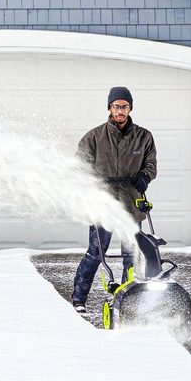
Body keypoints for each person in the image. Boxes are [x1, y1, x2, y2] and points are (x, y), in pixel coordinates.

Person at [71, 85, 156, 311]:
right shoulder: (94, 137)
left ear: (130, 108)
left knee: (132, 253)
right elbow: (80, 165)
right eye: (116, 106)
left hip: (131, 202)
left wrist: (144, 178)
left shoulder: (143, 136)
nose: (120, 110)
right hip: (103, 203)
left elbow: (151, 164)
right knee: (96, 252)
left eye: (124, 106)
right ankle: (79, 299)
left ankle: (129, 299)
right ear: (109, 108)